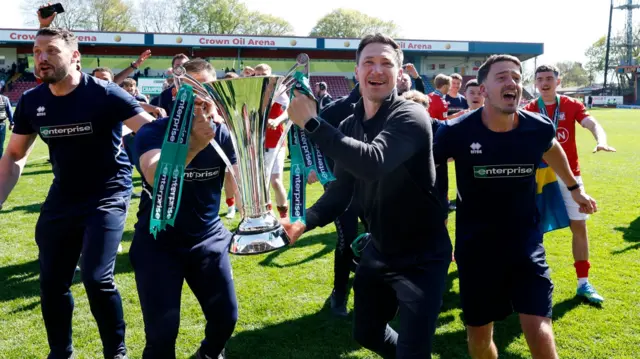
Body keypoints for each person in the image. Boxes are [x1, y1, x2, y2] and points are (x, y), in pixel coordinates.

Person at [283, 33, 451, 358]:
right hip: (379, 250)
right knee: (366, 333)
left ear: (399, 73)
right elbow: (342, 189)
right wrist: (303, 222)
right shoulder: (349, 124)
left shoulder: (411, 116)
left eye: (386, 63)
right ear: (356, 71)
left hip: (422, 258)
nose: (377, 70)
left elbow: (373, 162)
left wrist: (312, 123)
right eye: (369, 62)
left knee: (413, 350)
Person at [0, 26, 154, 359]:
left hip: (107, 194)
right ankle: (61, 353)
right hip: (63, 197)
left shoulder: (105, 93)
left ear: (74, 56)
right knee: (52, 284)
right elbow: (13, 155)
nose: (41, 59)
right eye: (37, 52)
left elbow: (149, 132)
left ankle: (116, 352)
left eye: (51, 51)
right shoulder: (31, 101)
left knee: (98, 279)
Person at [433, 54, 598, 359]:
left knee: (539, 329)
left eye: (517, 77)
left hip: (526, 245)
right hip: (477, 249)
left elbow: (552, 148)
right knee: (480, 338)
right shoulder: (456, 132)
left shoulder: (536, 127)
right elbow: (426, 169)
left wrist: (574, 189)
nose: (512, 83)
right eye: (502, 77)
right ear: (483, 89)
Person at [130, 59, 239, 359]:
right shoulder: (153, 132)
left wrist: (257, 211)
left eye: (205, 90)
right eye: (189, 90)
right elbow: (155, 175)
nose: (198, 98)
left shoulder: (224, 135)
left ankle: (207, 354)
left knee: (226, 318)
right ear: (177, 94)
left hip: (208, 237)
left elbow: (237, 185)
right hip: (159, 242)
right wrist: (193, 145)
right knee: (162, 336)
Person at [524, 64, 615, 304]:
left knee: (580, 227)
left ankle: (583, 283)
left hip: (570, 177)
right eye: (540, 79)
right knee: (534, 230)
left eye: (549, 79)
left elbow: (592, 123)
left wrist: (601, 140)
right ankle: (532, 281)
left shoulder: (571, 105)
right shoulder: (531, 108)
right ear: (535, 83)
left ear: (558, 81)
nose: (545, 83)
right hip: (540, 177)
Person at [311, 81, 368, 317]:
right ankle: (340, 292)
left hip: (376, 189)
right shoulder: (337, 109)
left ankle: (377, 290)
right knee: (346, 241)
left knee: (381, 239)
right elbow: (309, 135)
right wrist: (324, 172)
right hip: (342, 188)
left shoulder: (390, 109)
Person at [255, 63, 290, 218]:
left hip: (275, 142)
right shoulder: (252, 90)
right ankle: (266, 215)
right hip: (257, 143)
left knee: (275, 181)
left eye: (264, 73)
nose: (261, 76)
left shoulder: (279, 88)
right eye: (258, 74)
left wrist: (277, 120)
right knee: (261, 184)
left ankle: (284, 216)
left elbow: (289, 110)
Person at [0, 93, 14, 158]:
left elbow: (9, 111)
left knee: (0, 145)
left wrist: (12, 123)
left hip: (1, 125)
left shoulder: (4, 99)